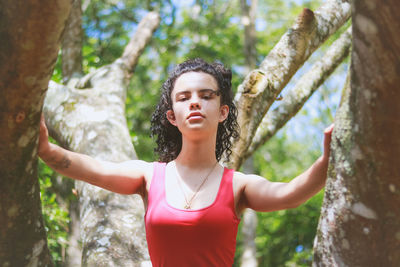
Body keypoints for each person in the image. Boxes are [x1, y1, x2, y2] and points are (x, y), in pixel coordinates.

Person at [38, 58, 334, 267]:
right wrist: (45, 149)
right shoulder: (149, 176)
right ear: (172, 116)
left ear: (222, 112)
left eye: (206, 96)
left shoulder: (239, 185)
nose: (195, 102)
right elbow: (94, 168)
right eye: (184, 97)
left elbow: (292, 193)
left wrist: (326, 160)